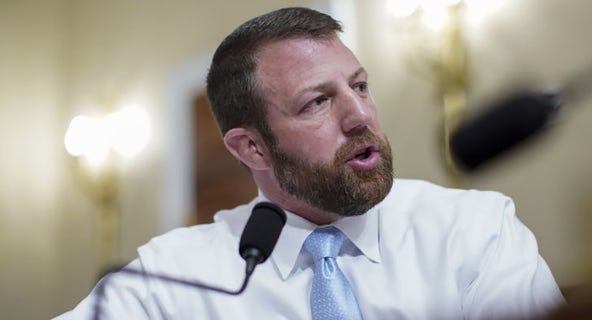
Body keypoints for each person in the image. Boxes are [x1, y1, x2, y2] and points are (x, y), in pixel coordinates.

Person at [56, 7, 564, 319]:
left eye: (360, 86)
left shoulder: (476, 231)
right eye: (317, 102)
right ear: (250, 148)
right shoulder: (172, 279)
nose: (361, 115)